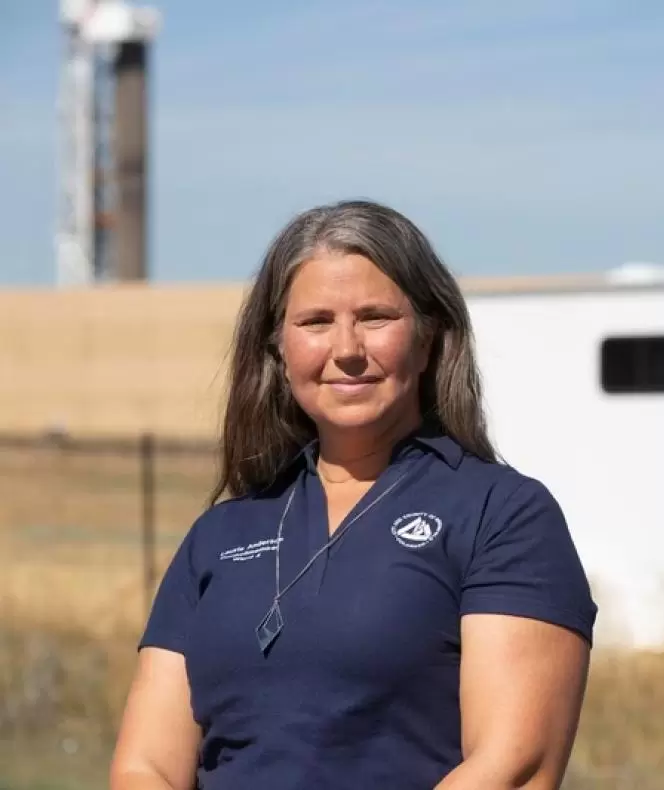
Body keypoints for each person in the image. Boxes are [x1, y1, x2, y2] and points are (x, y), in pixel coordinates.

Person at [110, 199, 597, 790]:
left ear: (427, 338)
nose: (346, 348)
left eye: (375, 317)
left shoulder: (502, 515)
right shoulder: (218, 536)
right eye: (315, 322)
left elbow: (513, 767)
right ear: (278, 350)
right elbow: (146, 766)